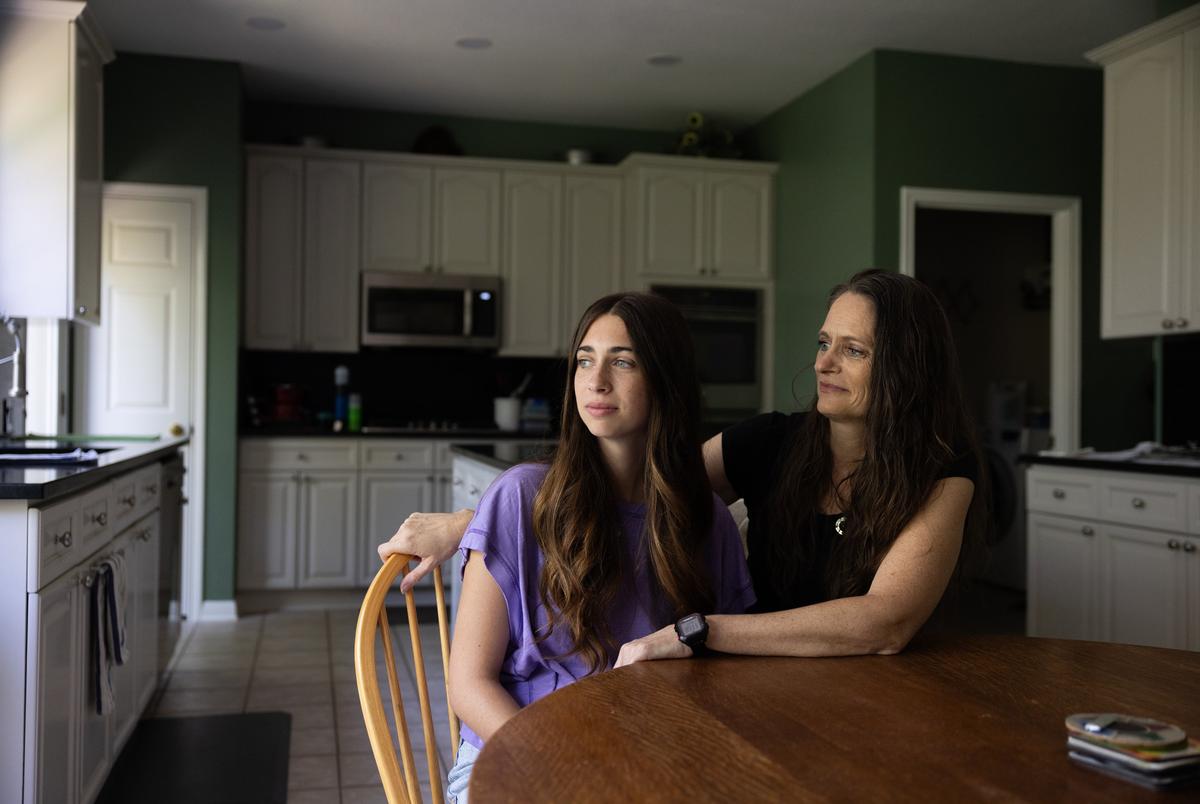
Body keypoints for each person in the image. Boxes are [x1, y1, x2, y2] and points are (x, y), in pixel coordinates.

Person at [381, 269, 985, 664]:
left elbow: (885, 623)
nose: (826, 363)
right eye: (825, 343)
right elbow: (638, 490)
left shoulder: (941, 471)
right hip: (759, 683)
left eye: (853, 351)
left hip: (866, 694)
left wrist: (699, 630)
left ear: (905, 368)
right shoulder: (772, 441)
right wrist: (476, 521)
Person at [443, 292, 754, 803]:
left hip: (645, 755)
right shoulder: (521, 497)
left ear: (665, 380)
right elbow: (469, 686)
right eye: (585, 360)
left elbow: (722, 671)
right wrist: (562, 769)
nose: (596, 379)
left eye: (623, 362)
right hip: (518, 752)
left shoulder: (705, 521)